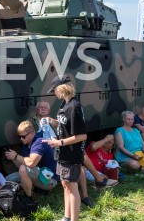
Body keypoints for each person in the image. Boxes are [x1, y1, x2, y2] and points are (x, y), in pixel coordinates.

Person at [45, 75, 87, 221]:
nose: (54, 93)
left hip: (71, 154)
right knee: (65, 185)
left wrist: (60, 143)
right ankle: (66, 217)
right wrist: (52, 122)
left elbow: (81, 136)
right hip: (62, 154)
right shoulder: (65, 104)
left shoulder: (74, 106)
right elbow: (65, 125)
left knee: (73, 188)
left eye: (55, 90)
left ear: (62, 88)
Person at [5, 121, 58, 197]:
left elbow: (31, 163)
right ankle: (30, 190)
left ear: (32, 133)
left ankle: (29, 197)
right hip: (38, 174)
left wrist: (16, 156)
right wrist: (12, 158)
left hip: (50, 180)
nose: (21, 139)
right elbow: (22, 165)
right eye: (19, 136)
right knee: (6, 180)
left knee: (24, 169)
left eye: (23, 136)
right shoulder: (25, 146)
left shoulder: (39, 142)